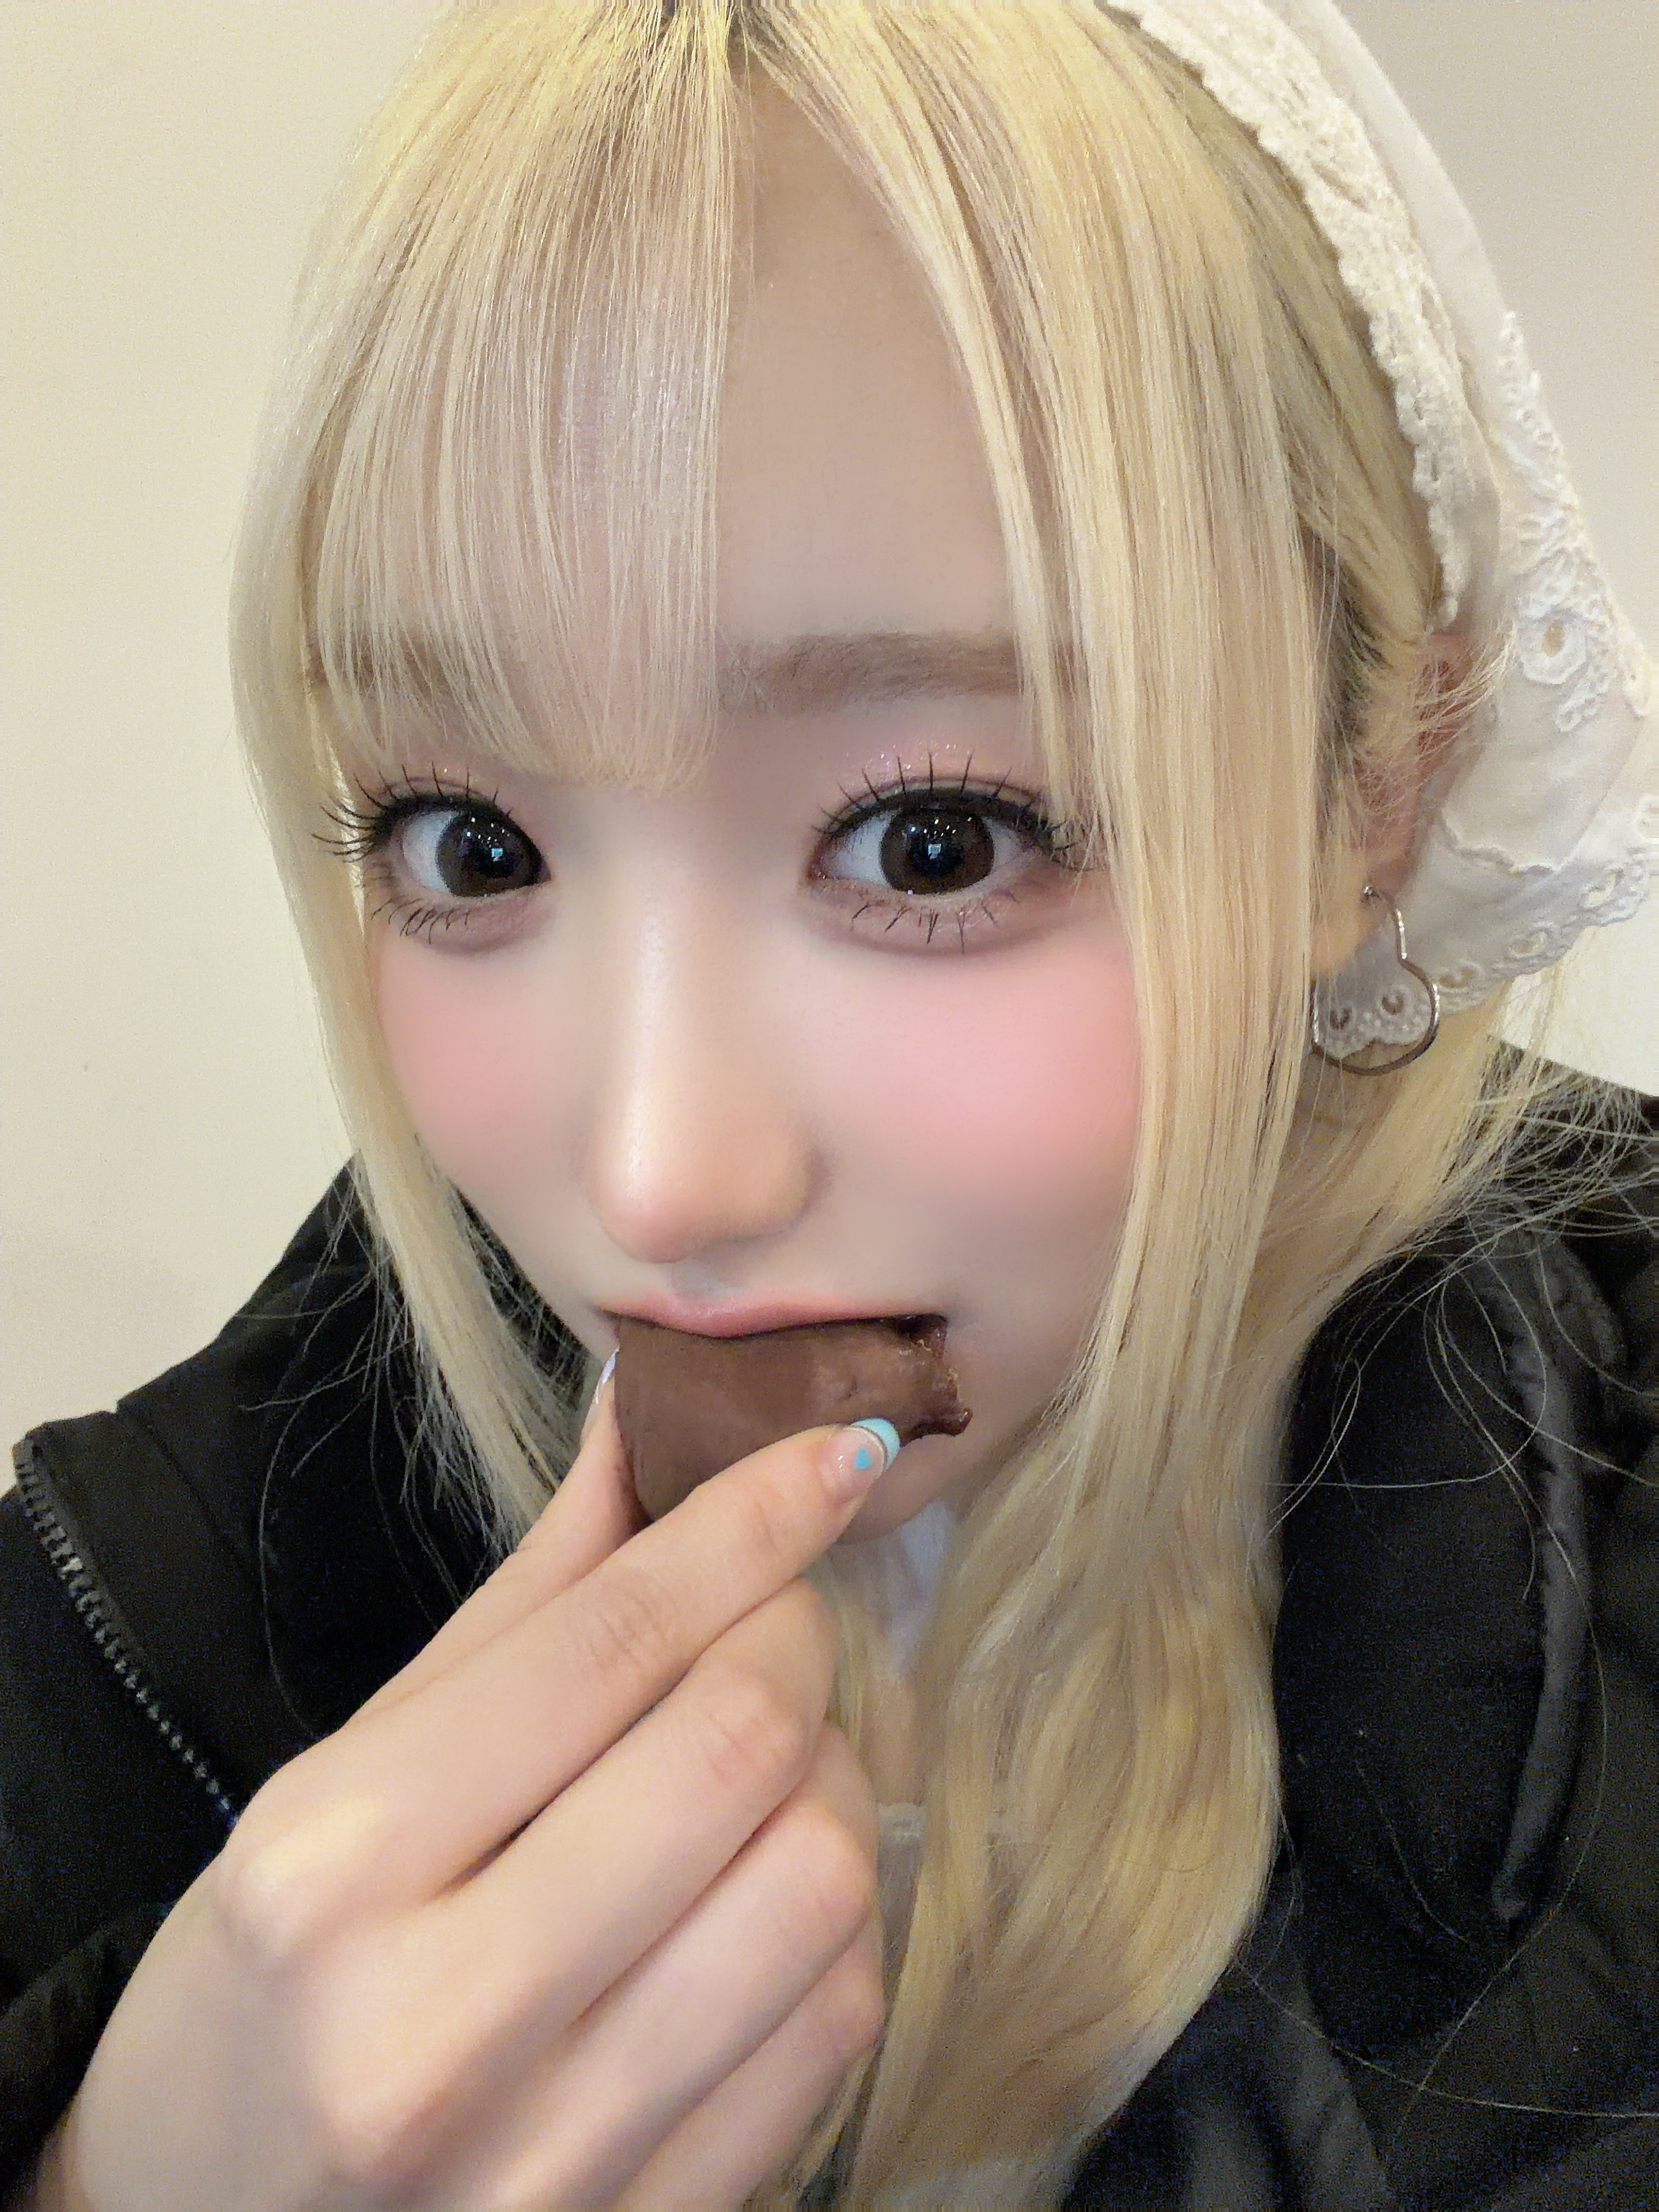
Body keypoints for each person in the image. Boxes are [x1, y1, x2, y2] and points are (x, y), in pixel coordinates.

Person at [3, 1, 1656, 2205]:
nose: (657, 1180)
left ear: (1377, 795)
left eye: (934, 843)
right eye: (473, 846)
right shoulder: (149, 1583)